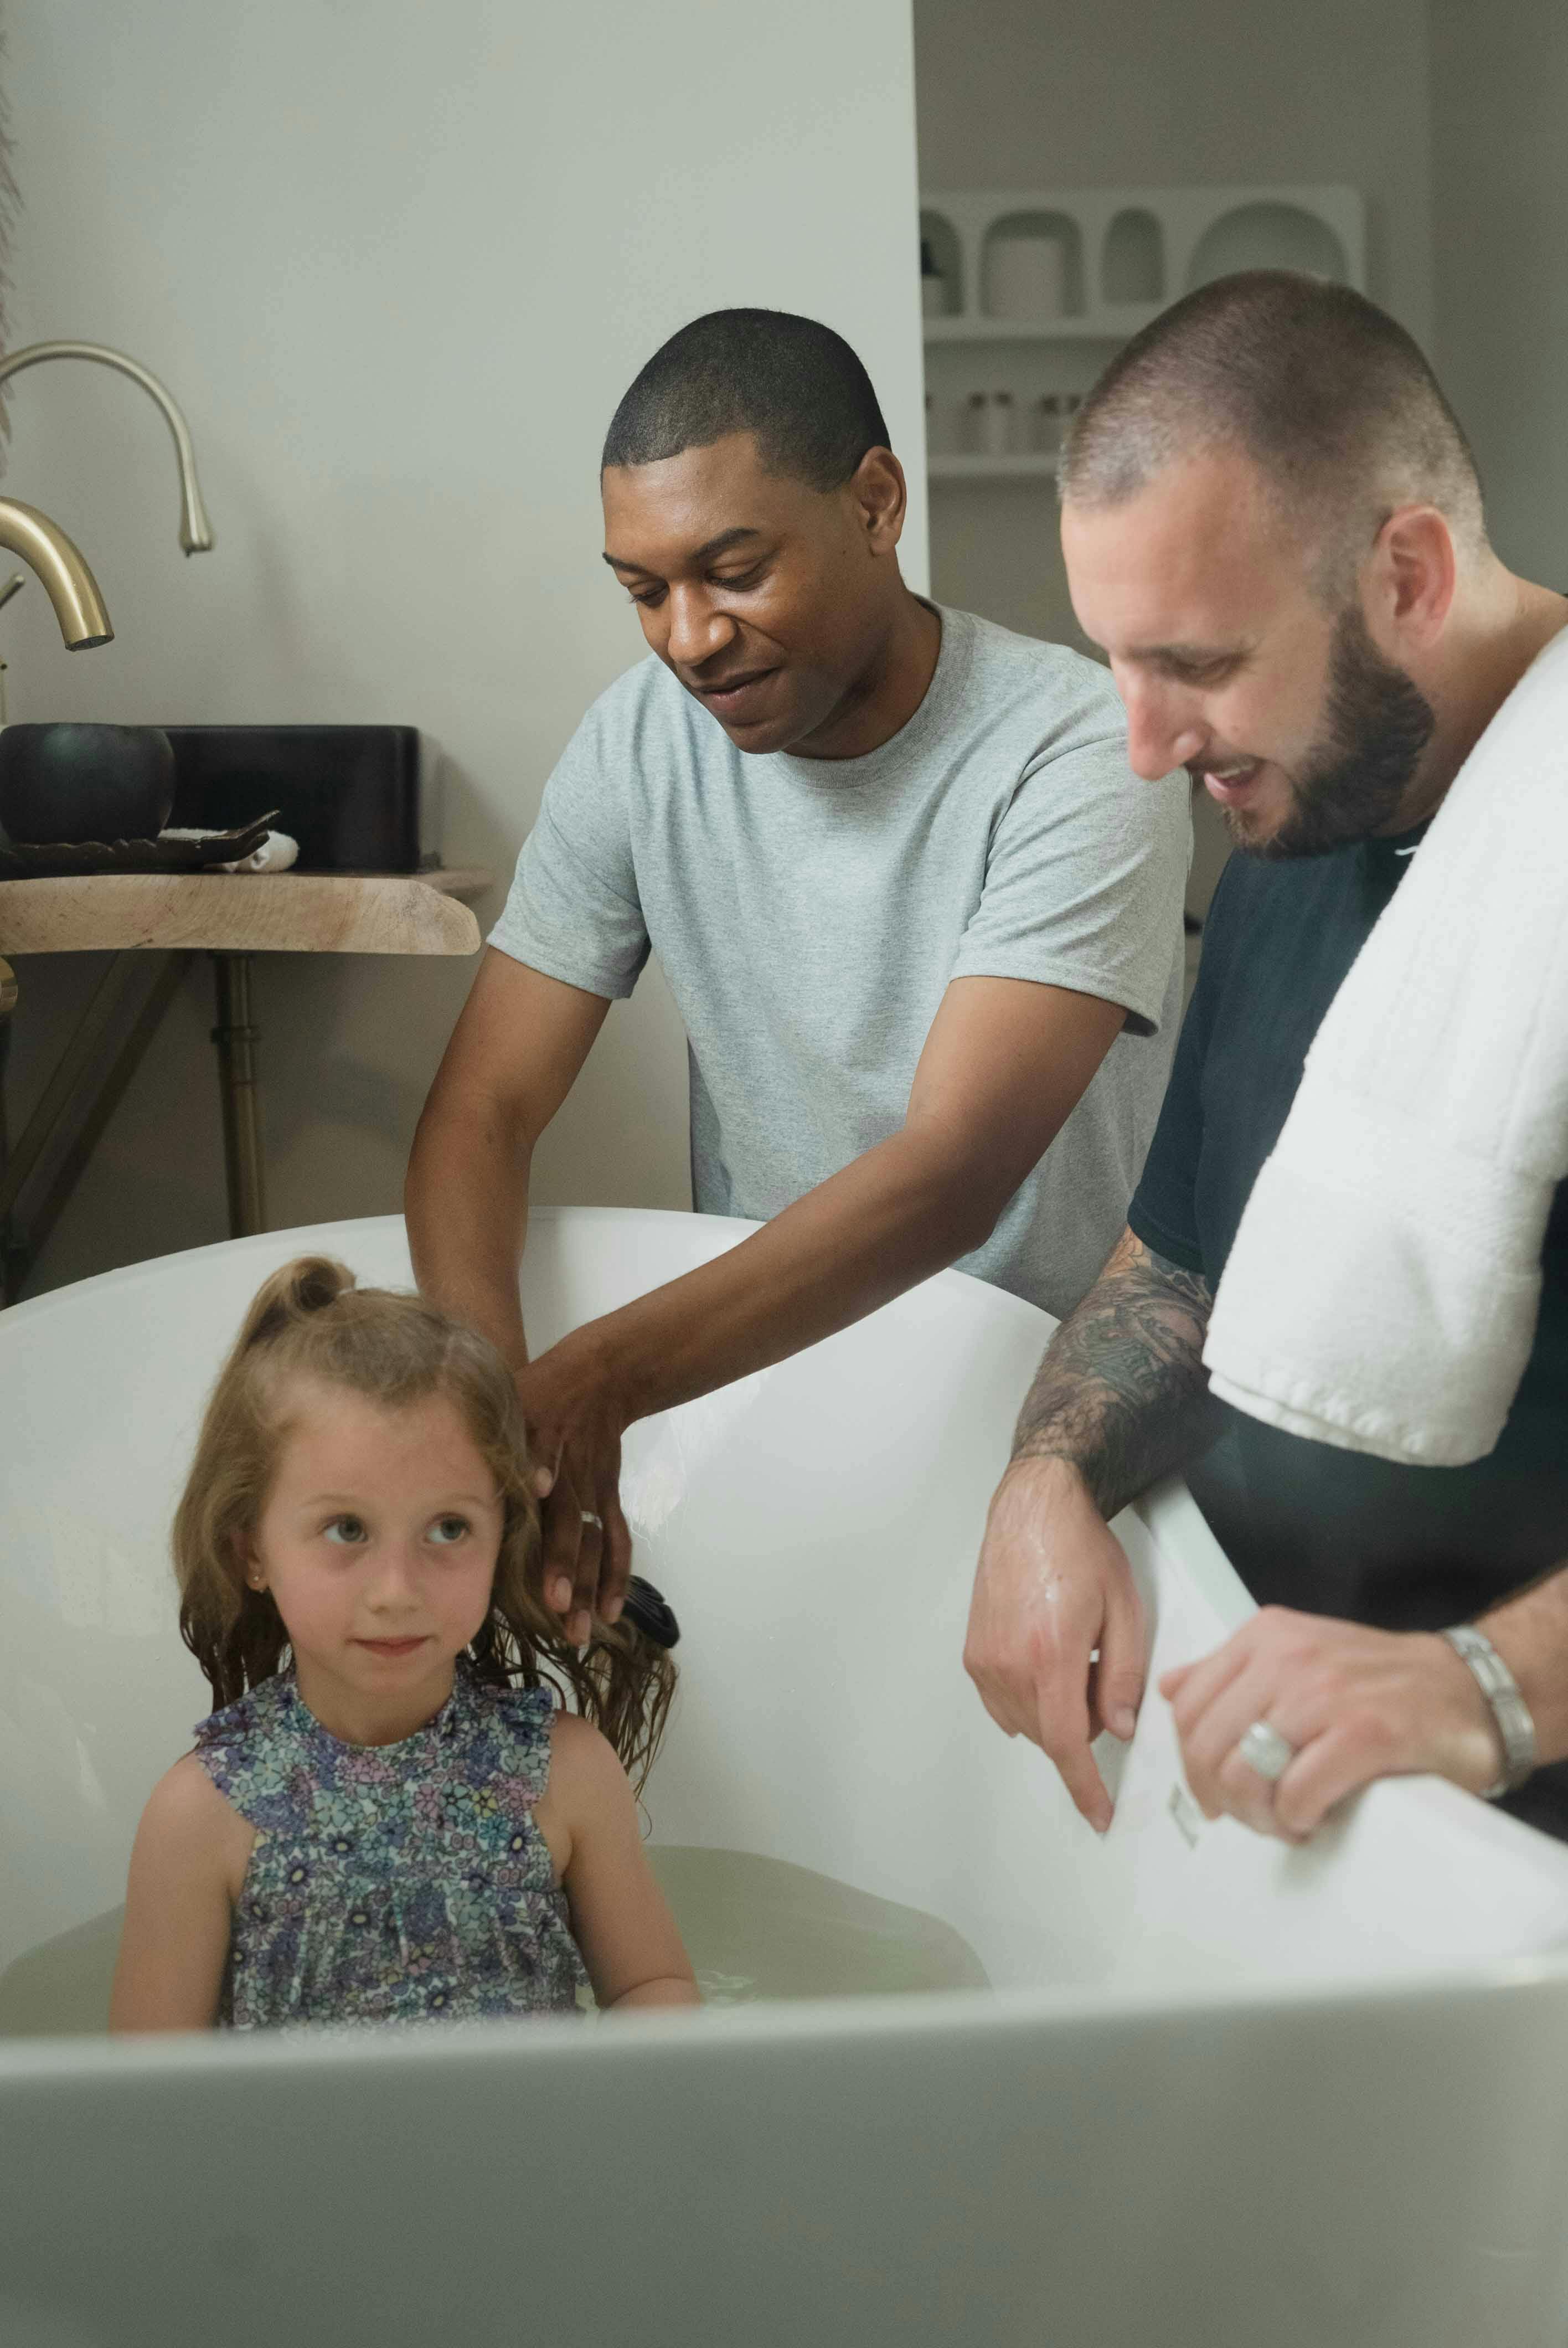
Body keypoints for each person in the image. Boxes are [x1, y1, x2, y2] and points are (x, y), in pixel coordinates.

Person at [406, 307, 1190, 1646]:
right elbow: (481, 1114)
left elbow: (952, 1172)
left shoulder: (1072, 751)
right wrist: (497, 1426)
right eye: (643, 589)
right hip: (759, 1386)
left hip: (1043, 1420)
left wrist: (593, 1382)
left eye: (733, 569)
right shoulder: (641, 742)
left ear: (875, 503)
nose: (689, 638)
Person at [964, 271, 1568, 1846]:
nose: (1146, 744)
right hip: (1301, 1765)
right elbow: (1180, 1267)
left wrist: (1489, 1688)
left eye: (1201, 664)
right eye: (1116, 662)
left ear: (1409, 575)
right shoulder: (1289, 834)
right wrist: (1048, 1479)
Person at [110, 1258, 698, 2032]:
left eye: (448, 1529)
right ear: (250, 1549)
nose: (397, 1590)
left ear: (502, 1538)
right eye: (347, 1529)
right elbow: (148, 2109)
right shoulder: (202, 1816)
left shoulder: (569, 1774)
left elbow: (651, 1986)